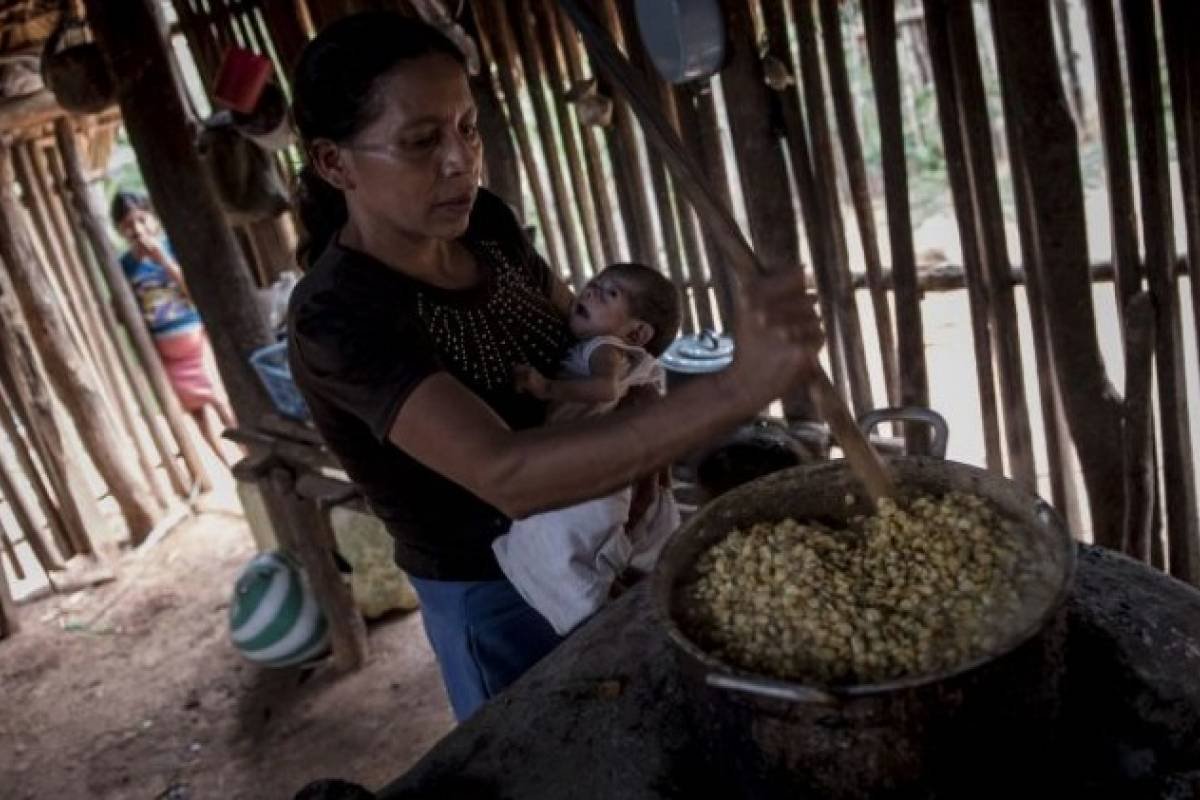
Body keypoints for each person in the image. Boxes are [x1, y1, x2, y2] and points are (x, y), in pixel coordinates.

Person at [287, 12, 822, 722]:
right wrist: (735, 389)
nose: (459, 160)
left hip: (611, 536)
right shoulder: (339, 315)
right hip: (496, 596)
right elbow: (508, 474)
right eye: (422, 141)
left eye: (468, 128)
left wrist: (633, 427)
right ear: (334, 163)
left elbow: (576, 334)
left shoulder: (485, 226)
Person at [493, 262, 682, 635]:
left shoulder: (605, 348)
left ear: (638, 332)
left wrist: (547, 388)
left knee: (580, 528)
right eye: (595, 283)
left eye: (610, 293)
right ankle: (592, 599)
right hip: (588, 448)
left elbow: (605, 390)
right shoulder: (598, 343)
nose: (591, 291)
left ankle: (586, 605)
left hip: (588, 449)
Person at [110, 191, 238, 467]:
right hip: (166, 353)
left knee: (219, 399)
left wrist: (164, 262)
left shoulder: (171, 247)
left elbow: (196, 294)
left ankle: (251, 456)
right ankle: (230, 468)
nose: (137, 229)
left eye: (142, 220)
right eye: (128, 225)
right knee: (197, 413)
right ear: (120, 231)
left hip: (197, 342)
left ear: (154, 220)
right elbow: (121, 311)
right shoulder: (124, 266)